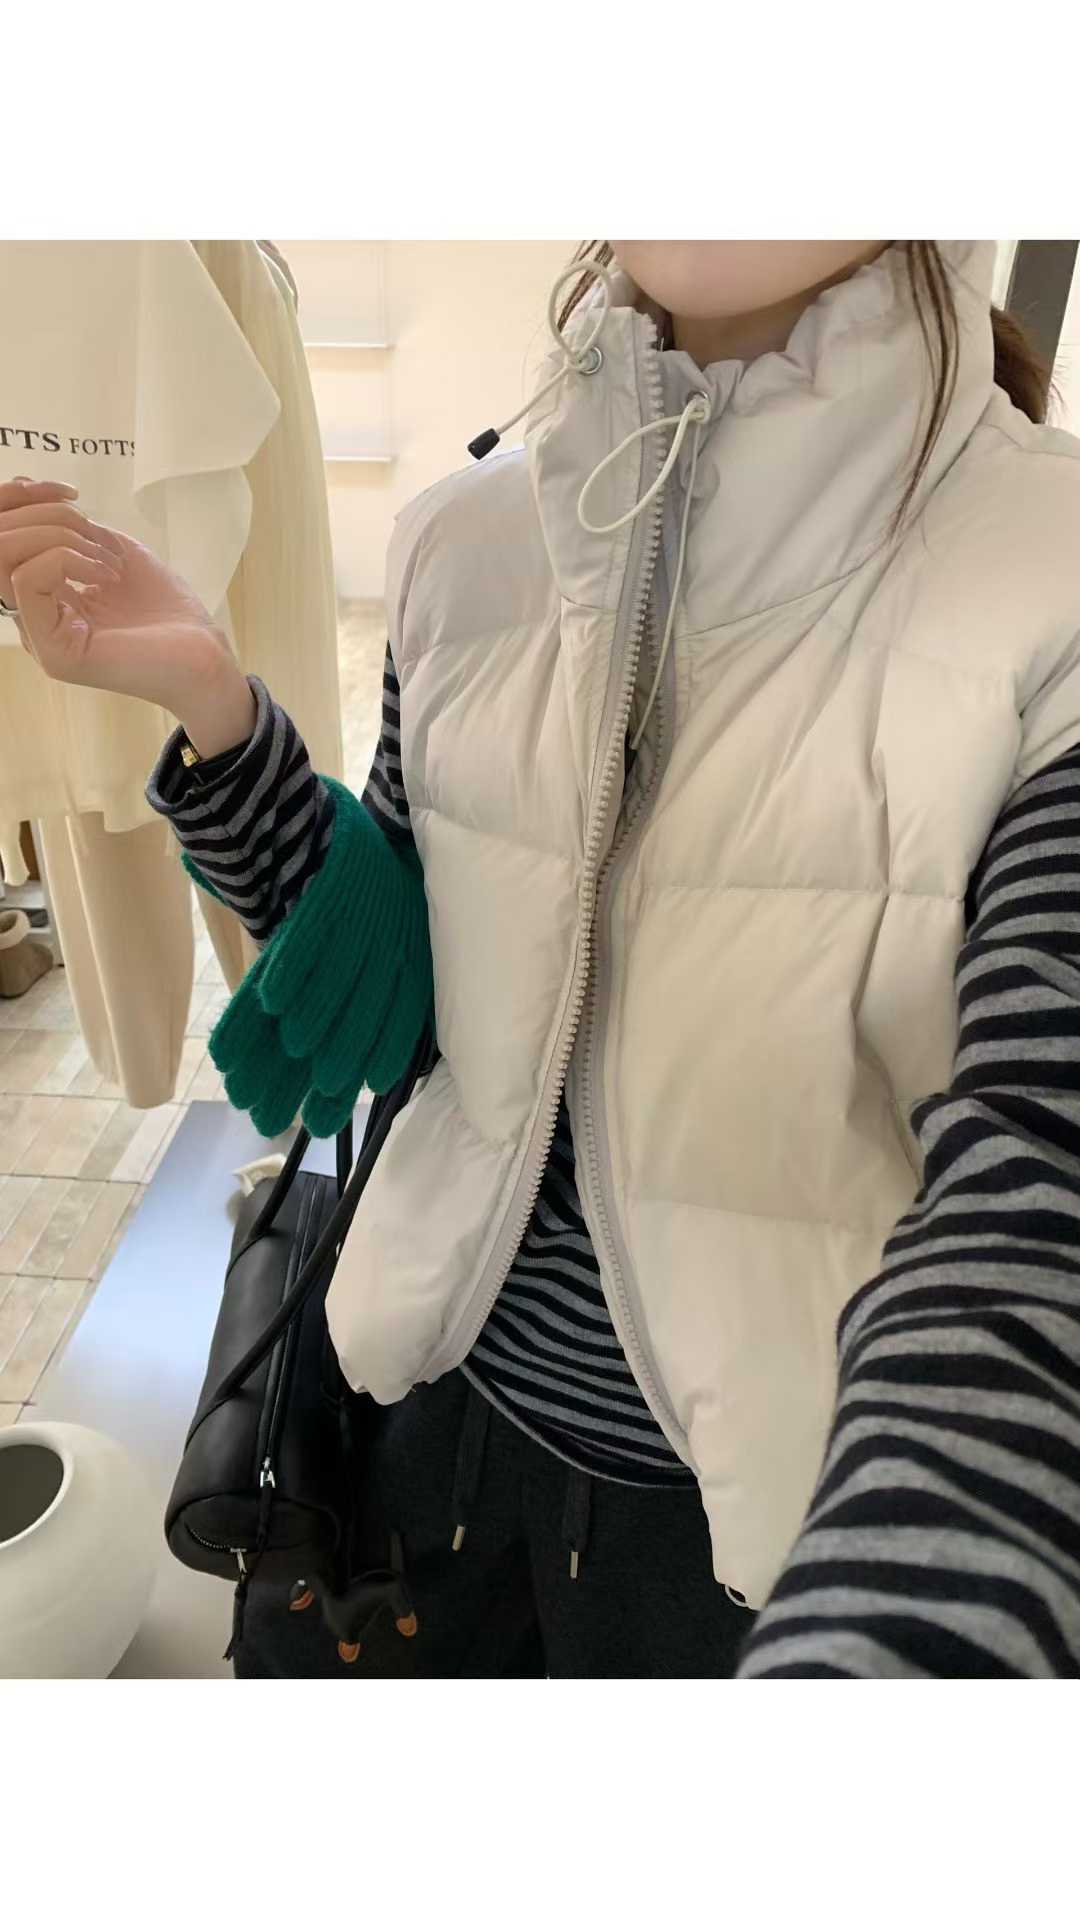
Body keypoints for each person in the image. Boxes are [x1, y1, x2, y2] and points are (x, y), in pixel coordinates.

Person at [4, 239, 1080, 1680]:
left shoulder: (1051, 585)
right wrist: (215, 707)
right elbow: (411, 1008)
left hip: (760, 1533)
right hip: (428, 1426)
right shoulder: (469, 540)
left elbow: (1037, 1218)